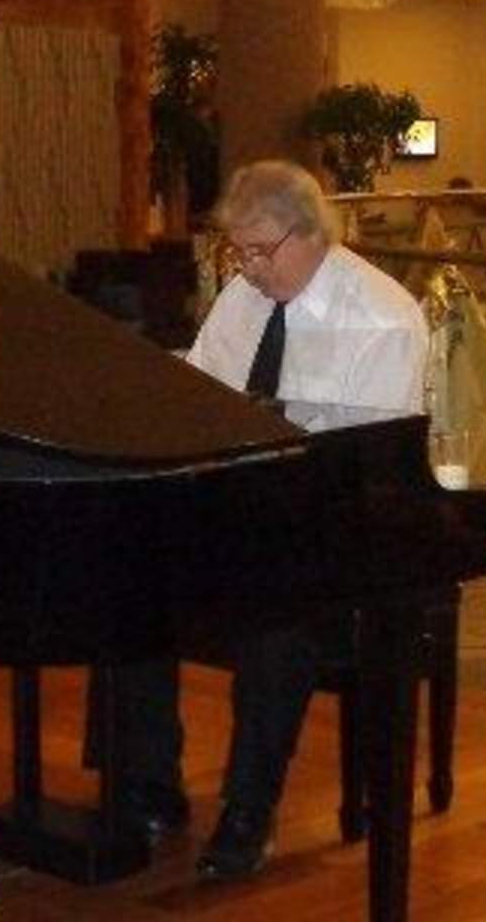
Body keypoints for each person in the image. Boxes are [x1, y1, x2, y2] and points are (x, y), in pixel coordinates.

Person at [110, 158, 429, 880]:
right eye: (239, 253)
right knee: (127, 586)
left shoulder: (381, 316)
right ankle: (150, 786)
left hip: (338, 541)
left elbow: (370, 465)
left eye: (261, 252)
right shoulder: (242, 298)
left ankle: (249, 812)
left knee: (277, 620)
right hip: (242, 519)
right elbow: (198, 392)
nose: (249, 270)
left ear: (312, 233)